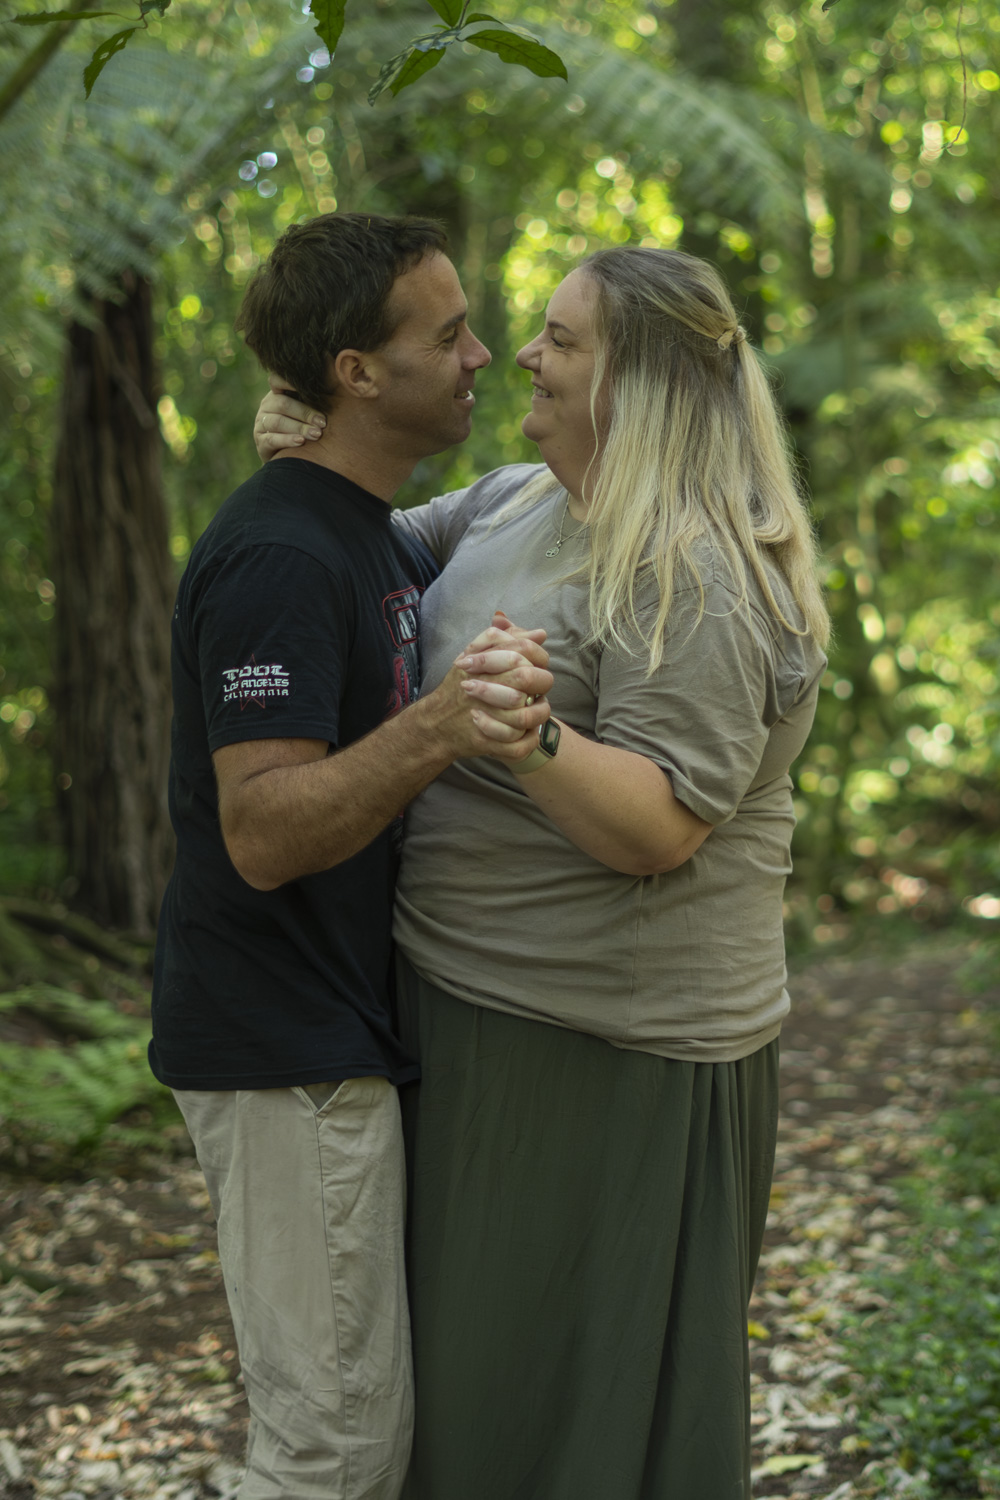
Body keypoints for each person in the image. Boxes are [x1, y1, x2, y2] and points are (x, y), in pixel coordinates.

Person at [254, 244, 830, 1499]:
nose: (523, 354)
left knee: (570, 1407)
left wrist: (532, 734)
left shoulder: (696, 566)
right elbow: (368, 553)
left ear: (646, 384)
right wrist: (310, 446)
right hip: (463, 1009)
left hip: (610, 1045)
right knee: (475, 1397)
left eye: (562, 341)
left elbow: (664, 823)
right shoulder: (518, 499)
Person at [149, 212, 555, 1500]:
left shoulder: (368, 529)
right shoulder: (280, 551)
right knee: (330, 1456)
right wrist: (447, 724)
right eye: (447, 333)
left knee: (350, 1441)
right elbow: (261, 833)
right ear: (354, 373)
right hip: (283, 1051)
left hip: (335, 1041)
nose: (483, 352)